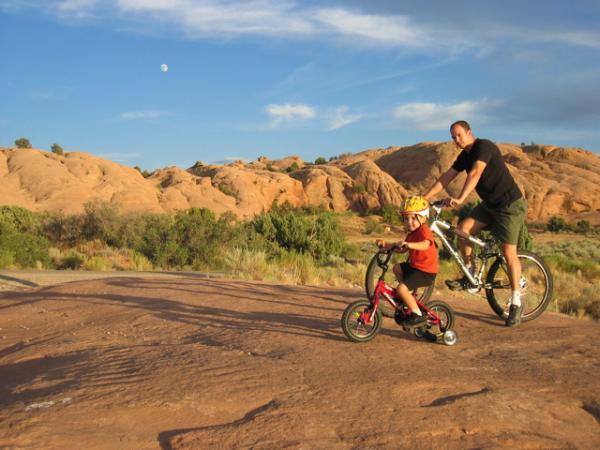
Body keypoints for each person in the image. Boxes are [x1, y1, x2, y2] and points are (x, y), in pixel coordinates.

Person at [423, 120, 527, 327]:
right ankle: (470, 272)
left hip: (509, 206)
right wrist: (422, 198)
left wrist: (461, 198)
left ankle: (516, 301)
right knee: (462, 229)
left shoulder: (484, 147)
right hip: (490, 205)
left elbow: (476, 173)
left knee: (508, 253)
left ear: (469, 132)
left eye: (459, 135)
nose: (456, 140)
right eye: (453, 137)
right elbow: (446, 178)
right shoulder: (465, 156)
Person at [380, 196, 438, 327]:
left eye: (413, 218)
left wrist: (410, 245)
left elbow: (426, 244)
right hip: (415, 267)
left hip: (426, 271)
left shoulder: (424, 230)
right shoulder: (411, 234)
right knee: (396, 268)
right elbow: (401, 249)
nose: (409, 222)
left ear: (423, 218)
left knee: (401, 289)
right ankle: (408, 295)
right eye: (406, 218)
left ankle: (417, 315)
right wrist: (387, 246)